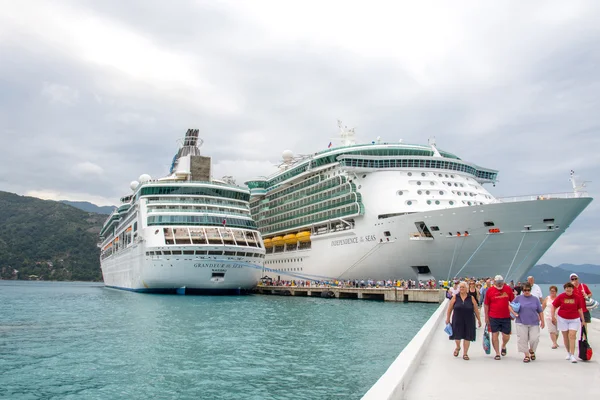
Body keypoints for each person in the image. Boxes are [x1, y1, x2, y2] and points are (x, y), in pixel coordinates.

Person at [446, 281, 482, 360]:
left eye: (463, 287)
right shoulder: (455, 297)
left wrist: (479, 320)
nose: (461, 288)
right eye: (460, 287)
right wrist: (448, 318)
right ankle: (458, 347)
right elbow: (450, 308)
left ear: (467, 288)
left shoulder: (471, 298)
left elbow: (476, 309)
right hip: (457, 319)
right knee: (457, 336)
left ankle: (465, 353)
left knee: (467, 336)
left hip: (469, 320)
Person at [552, 282, 585, 363]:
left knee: (572, 335)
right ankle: (568, 353)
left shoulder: (577, 297)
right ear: (565, 289)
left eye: (570, 287)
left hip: (574, 319)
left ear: (572, 289)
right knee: (565, 336)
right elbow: (554, 306)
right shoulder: (561, 296)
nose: (568, 289)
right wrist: (552, 316)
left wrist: (583, 320)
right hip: (563, 319)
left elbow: (580, 309)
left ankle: (573, 355)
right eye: (567, 288)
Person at [511, 283, 544, 362]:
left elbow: (540, 310)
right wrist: (514, 313)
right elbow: (510, 305)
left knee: (534, 339)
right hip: (521, 321)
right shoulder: (518, 298)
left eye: (528, 290)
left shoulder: (535, 299)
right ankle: (526, 355)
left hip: (534, 322)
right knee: (523, 339)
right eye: (525, 290)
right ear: (522, 290)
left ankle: (531, 350)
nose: (526, 292)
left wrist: (543, 321)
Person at [484, 274, 515, 360]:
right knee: (494, 335)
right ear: (494, 282)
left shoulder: (508, 289)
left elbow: (513, 302)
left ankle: (503, 345)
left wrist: (513, 313)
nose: (499, 284)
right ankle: (497, 353)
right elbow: (486, 304)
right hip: (493, 316)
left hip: (505, 316)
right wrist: (486, 317)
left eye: (501, 282)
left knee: (506, 336)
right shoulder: (490, 291)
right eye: (498, 282)